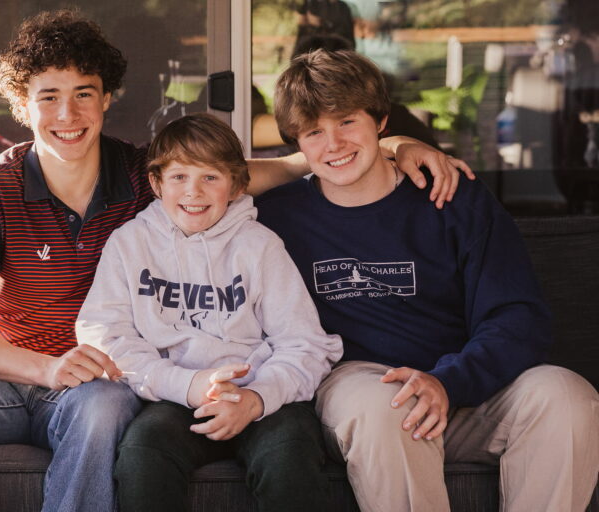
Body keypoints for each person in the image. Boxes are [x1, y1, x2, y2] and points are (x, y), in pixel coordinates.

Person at [0, 9, 472, 512]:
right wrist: (46, 369)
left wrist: (393, 144)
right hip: (12, 374)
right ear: (22, 106)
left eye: (84, 95)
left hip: (97, 385)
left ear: (107, 99)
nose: (67, 115)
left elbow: (282, 165)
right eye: (48, 98)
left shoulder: (149, 177)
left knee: (104, 411)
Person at [256, 49, 599, 512]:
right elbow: (198, 179)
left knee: (567, 395)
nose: (333, 144)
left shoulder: (451, 196)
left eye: (347, 122)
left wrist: (448, 382)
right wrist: (343, 154)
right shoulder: (276, 216)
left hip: (466, 385)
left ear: (380, 120)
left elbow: (517, 315)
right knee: (390, 407)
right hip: (358, 386)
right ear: (297, 141)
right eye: (314, 131)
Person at [76, 112, 342, 511]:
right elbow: (106, 335)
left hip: (262, 397)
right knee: (144, 450)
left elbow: (304, 343)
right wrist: (187, 385)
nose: (193, 192)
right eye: (179, 177)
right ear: (156, 183)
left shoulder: (260, 247)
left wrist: (256, 398)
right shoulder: (129, 243)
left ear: (236, 186)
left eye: (210, 177)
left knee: (289, 455)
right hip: (175, 397)